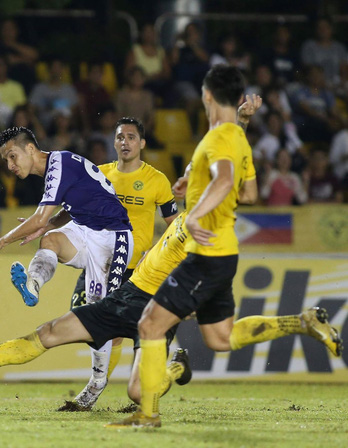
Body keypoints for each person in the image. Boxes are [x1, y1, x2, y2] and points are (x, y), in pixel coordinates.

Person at [0, 211, 342, 409]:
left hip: (154, 312)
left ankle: (177, 367)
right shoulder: (187, 216)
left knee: (139, 393)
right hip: (124, 298)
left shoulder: (208, 242)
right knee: (50, 331)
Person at [116, 64, 265, 427]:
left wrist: (196, 214)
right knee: (221, 338)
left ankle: (147, 416)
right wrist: (194, 185)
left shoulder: (217, 138)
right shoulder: (232, 136)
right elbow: (249, 192)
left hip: (205, 252)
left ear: (207, 95)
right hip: (222, 251)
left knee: (151, 324)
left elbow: (227, 178)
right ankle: (302, 322)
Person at [0, 126, 133, 401]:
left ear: (30, 149)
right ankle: (33, 285)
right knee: (50, 240)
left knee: (99, 315)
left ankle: (96, 385)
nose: (10, 165)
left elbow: (38, 218)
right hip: (86, 230)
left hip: (114, 238)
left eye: (12, 156)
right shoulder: (57, 167)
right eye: (6, 161)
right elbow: (74, 204)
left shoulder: (58, 164)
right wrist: (49, 225)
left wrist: (2, 241)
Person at [64, 116, 180, 410]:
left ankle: (134, 391)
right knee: (99, 329)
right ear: (113, 142)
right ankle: (97, 386)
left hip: (138, 270)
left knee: (140, 331)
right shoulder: (100, 174)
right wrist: (41, 225)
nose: (125, 142)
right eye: (120, 137)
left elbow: (174, 224)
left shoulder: (157, 180)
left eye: (131, 137)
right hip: (102, 264)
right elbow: (73, 208)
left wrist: (157, 252)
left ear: (141, 143)